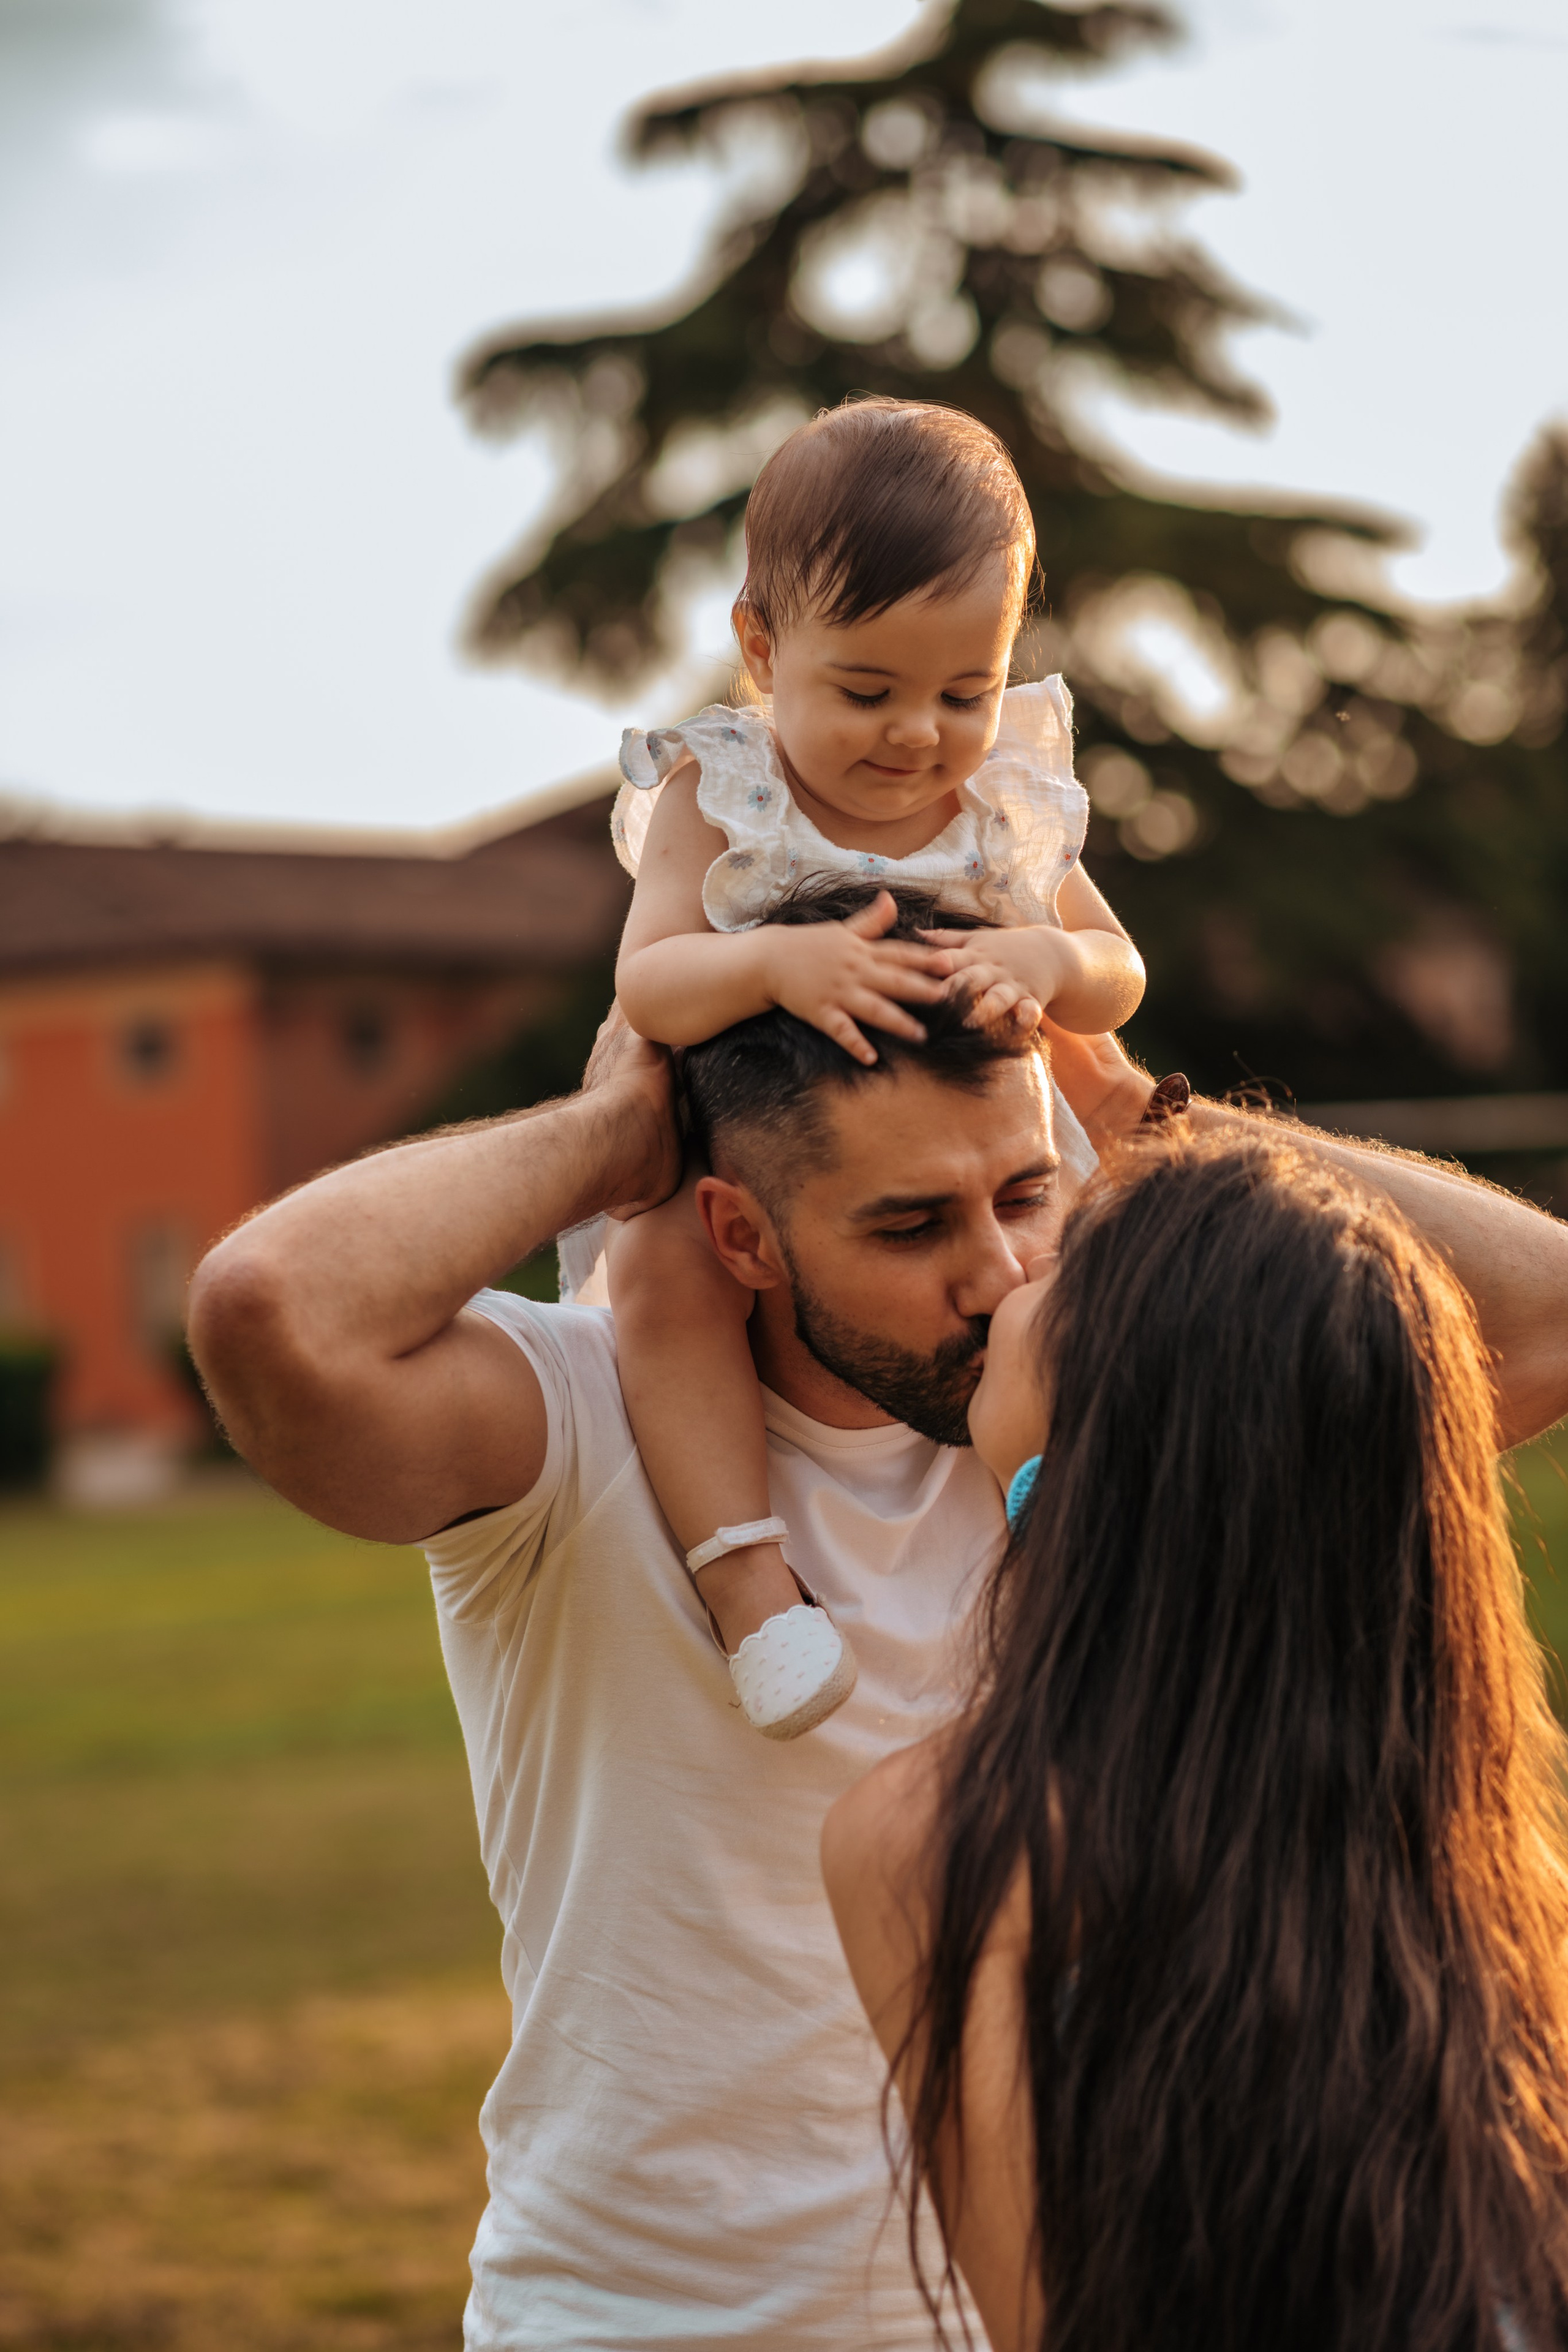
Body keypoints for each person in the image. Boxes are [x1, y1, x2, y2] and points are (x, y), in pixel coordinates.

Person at [186, 883, 1568, 2352]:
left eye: (1025, 1194)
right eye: (909, 1224)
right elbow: (275, 1311)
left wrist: (1133, 1105)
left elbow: (1540, 1318)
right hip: (646, 2322)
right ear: (738, 1232)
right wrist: (615, 1132)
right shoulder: (581, 1426)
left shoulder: (1120, 1437)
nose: (995, 1275)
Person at [824, 1123, 1568, 2352]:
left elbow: (1042, 2325)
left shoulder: (942, 1837)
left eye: (1062, 1260)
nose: (1011, 1276)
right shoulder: (1477, 1841)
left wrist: (1141, 1120)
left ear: (1113, 1403)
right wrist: (1153, 1119)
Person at [608, 396, 1145, 1740]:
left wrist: (1045, 963)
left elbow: (1118, 971)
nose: (917, 734)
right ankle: (748, 1590)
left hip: (978, 1136)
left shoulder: (1004, 800)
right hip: (748, 1148)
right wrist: (772, 967)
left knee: (1055, 1291)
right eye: (866, 691)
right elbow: (649, 978)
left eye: (963, 692)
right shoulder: (723, 788)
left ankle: (1064, 1536)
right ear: (759, 644)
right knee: (660, 1271)